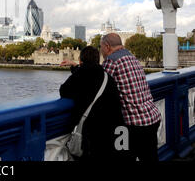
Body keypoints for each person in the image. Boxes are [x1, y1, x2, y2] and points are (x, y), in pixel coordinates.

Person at [100, 33, 162, 161]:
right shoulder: (132, 57)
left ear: (107, 46)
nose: (101, 51)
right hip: (152, 117)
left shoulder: (112, 61)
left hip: (132, 124)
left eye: (100, 47)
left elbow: (98, 84)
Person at [59, 46, 125, 161]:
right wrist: (76, 67)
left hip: (89, 136)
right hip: (109, 135)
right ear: (97, 60)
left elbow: (64, 91)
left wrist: (76, 69)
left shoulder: (79, 75)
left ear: (81, 60)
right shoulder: (107, 77)